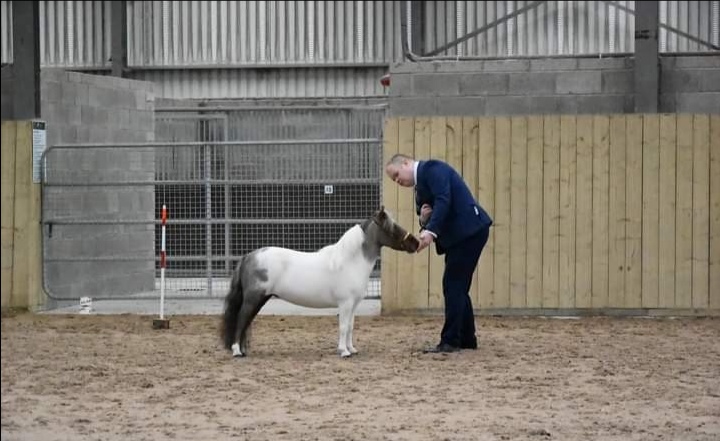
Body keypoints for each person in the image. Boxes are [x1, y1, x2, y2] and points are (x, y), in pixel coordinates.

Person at [385, 153, 492, 353]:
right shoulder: (420, 188)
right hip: (463, 236)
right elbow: (427, 214)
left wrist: (430, 233)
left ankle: (451, 340)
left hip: (469, 231)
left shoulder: (432, 169)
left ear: (406, 163)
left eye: (397, 175)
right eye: (394, 180)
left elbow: (444, 199)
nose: (398, 181)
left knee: (453, 285)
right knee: (457, 287)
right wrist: (425, 221)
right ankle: (466, 338)